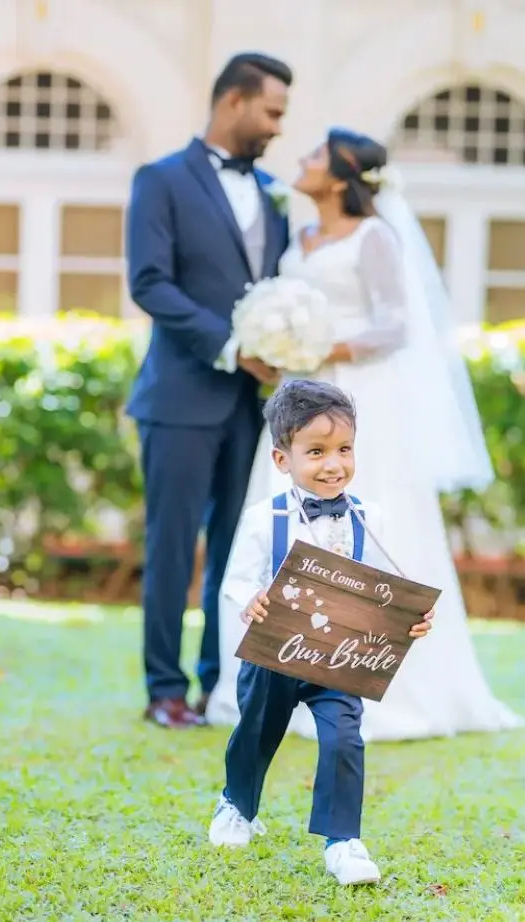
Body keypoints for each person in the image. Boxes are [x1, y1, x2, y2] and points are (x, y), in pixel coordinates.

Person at [207, 127, 523, 740]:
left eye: (315, 154)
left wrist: (319, 347)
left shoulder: (374, 235)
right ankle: (275, 677)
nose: (303, 159)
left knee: (368, 525)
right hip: (299, 399)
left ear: (341, 174)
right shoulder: (300, 237)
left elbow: (396, 326)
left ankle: (371, 679)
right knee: (281, 523)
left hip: (360, 394)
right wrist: (281, 346)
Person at [209, 380, 434, 884]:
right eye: (316, 452)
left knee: (344, 739)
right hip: (274, 653)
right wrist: (251, 598)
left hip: (338, 658)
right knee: (256, 732)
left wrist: (410, 617)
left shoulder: (368, 517)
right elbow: (236, 579)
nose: (334, 464)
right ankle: (237, 805)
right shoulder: (264, 518)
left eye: (344, 449)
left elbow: (386, 585)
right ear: (282, 459)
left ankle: (342, 840)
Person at [126, 53, 293, 728]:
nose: (278, 126)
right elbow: (149, 281)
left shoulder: (277, 191)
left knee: (238, 547)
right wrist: (231, 347)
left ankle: (220, 683)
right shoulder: (160, 179)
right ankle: (164, 689)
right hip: (179, 398)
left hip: (254, 408)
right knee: (171, 547)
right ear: (232, 102)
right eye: (271, 111)